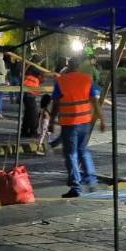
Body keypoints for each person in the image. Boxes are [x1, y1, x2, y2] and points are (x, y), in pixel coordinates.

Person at [51, 58, 105, 198]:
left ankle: (76, 187)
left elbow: (56, 103)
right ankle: (91, 180)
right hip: (84, 122)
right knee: (83, 151)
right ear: (79, 66)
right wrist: (102, 119)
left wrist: (51, 120)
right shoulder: (86, 79)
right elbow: (95, 101)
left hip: (70, 123)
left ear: (68, 66)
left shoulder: (61, 81)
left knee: (71, 154)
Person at [20, 67, 41, 137]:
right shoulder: (34, 79)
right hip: (30, 97)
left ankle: (24, 131)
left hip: (25, 96)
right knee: (34, 115)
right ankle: (33, 132)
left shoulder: (27, 77)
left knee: (27, 115)